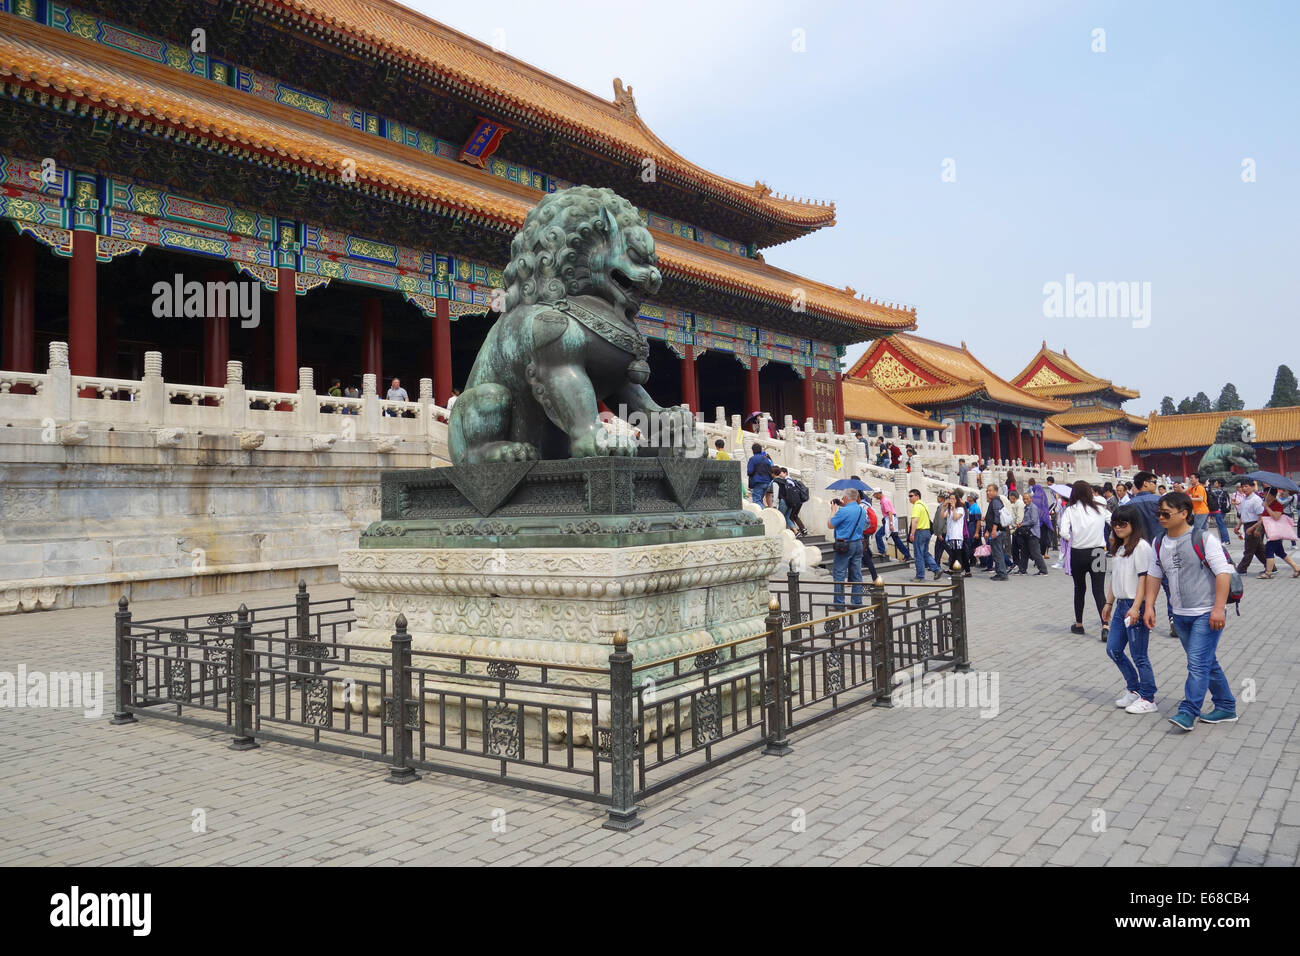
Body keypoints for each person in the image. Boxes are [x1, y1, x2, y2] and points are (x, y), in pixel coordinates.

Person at [1145, 491, 1237, 731]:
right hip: (1180, 613)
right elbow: (1154, 576)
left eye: (1166, 513)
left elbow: (1223, 573)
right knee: (1205, 661)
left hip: (1206, 612)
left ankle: (1188, 711)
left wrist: (1218, 609)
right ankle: (1226, 706)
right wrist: (1149, 606)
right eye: (1159, 513)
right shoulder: (1159, 542)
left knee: (1197, 664)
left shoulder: (1203, 538)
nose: (1161, 518)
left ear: (1184, 513)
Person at [1102, 504, 1158, 713]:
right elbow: (1114, 578)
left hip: (1136, 604)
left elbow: (1144, 578)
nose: (1117, 527)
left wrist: (1136, 607)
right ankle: (1134, 689)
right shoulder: (1119, 548)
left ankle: (1148, 697)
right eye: (1114, 524)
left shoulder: (1142, 547)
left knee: (1139, 655)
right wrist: (1108, 603)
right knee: (1113, 649)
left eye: (1122, 523)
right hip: (1120, 604)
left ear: (1133, 524)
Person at [1059, 479, 1109, 638]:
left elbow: (1063, 532)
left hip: (1079, 553)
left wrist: (1074, 537)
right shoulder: (1100, 508)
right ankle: (1105, 625)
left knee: (1079, 588)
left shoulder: (1070, 510)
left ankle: (1079, 624)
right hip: (1098, 552)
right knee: (1099, 590)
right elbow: (1114, 520)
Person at [828, 488, 867, 610]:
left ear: (845, 498)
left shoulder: (843, 511)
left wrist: (833, 510)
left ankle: (839, 603)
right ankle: (856, 602)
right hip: (858, 543)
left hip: (845, 544)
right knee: (856, 573)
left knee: (839, 573)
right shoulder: (861, 510)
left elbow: (830, 524)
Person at [1258, 486, 1300, 579]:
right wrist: (1255, 528)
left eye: (1265, 494)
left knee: (1269, 550)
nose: (1264, 495)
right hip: (1270, 532)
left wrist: (1267, 507)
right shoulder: (1269, 503)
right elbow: (1263, 519)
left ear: (1271, 495)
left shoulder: (1277, 504)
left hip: (1275, 533)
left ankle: (1268, 572)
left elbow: (1276, 517)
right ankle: (1296, 568)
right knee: (1280, 552)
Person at [907, 489, 943, 581]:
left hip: (920, 532)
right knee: (925, 553)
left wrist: (912, 533)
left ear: (917, 496)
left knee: (918, 554)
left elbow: (915, 521)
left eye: (911, 496)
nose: (909, 498)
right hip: (926, 532)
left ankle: (920, 576)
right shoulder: (924, 505)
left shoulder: (916, 506)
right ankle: (936, 569)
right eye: (909, 496)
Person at [1234, 480, 1268, 574]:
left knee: (1249, 549)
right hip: (1247, 524)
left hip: (1254, 525)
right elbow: (1243, 514)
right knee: (1258, 549)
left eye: (1246, 486)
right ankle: (1271, 567)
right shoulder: (1244, 499)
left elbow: (1261, 516)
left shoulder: (1256, 499)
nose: (1244, 488)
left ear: (1253, 487)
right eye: (1243, 487)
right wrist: (1238, 525)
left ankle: (1241, 569)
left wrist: (1256, 529)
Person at [1015, 491, 1050, 575]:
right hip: (1027, 533)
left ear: (1031, 499)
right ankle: (1022, 569)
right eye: (1024, 499)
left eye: (1027, 499)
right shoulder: (1026, 508)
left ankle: (1043, 570)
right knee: (1024, 552)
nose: (1025, 500)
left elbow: (1033, 521)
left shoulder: (1033, 507)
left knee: (1035, 552)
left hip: (1033, 533)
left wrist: (1022, 524)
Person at [982, 483, 1010, 581]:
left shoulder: (996, 501)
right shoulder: (993, 501)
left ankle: (1002, 573)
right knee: (996, 552)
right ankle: (999, 572)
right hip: (996, 531)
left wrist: (993, 529)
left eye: (990, 490)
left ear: (995, 491)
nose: (988, 492)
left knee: (998, 553)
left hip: (998, 531)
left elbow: (997, 516)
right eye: (987, 491)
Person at [872, 489, 909, 561]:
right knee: (896, 539)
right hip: (891, 519)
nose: (874, 497)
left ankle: (882, 551)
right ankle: (907, 554)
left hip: (889, 520)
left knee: (878, 535)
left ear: (878, 494)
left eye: (875, 495)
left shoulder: (884, 501)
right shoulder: (884, 500)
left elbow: (889, 512)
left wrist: (891, 524)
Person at [773, 466, 808, 537]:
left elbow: (776, 494)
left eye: (781, 472)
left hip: (783, 501)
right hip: (791, 502)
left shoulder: (776, 482)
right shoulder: (786, 481)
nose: (780, 474)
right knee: (788, 517)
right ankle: (796, 531)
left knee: (781, 517)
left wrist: (774, 505)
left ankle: (781, 534)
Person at [942, 493, 966, 571]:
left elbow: (955, 518)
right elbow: (942, 516)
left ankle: (958, 570)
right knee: (952, 554)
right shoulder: (949, 510)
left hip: (957, 535)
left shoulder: (960, 509)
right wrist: (944, 506)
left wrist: (954, 508)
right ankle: (953, 569)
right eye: (950, 499)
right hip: (950, 535)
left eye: (953, 499)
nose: (952, 500)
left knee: (957, 554)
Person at [1206, 478, 1231, 546]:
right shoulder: (1223, 492)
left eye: (1216, 482)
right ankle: (1224, 540)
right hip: (1220, 511)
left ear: (1219, 484)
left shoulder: (1217, 492)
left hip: (1217, 511)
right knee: (1221, 526)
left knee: (1221, 526)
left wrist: (1207, 486)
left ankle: (1225, 540)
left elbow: (1208, 493)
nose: (1214, 484)